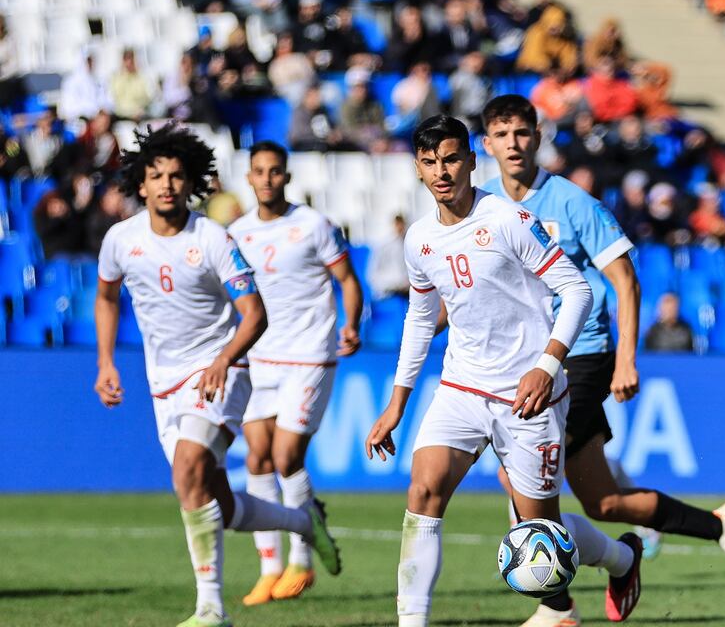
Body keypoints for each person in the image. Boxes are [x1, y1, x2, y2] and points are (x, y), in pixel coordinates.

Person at [479, 96, 725, 626]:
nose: (513, 143)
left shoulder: (572, 202)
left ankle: (555, 605)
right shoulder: (485, 205)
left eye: (522, 132)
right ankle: (721, 526)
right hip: (525, 359)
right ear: (486, 144)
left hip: (582, 354)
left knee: (518, 475)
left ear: (538, 137)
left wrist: (625, 359)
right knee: (603, 503)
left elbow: (624, 280)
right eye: (502, 134)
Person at [364, 116, 643, 627]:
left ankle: (622, 559)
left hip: (528, 394)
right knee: (423, 493)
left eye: (451, 159)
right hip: (461, 388)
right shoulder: (420, 239)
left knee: (539, 528)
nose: (441, 172)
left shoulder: (509, 219)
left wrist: (547, 364)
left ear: (471, 160)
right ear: (419, 170)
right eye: (430, 163)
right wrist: (396, 404)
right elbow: (420, 322)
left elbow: (577, 290)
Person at [94, 123, 340, 627]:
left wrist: (224, 360)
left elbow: (255, 314)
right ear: (140, 184)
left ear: (192, 184)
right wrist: (105, 362)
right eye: (156, 176)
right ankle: (302, 521)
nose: (166, 185)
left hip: (222, 371)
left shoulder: (212, 238)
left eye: (176, 176)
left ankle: (210, 607)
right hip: (163, 383)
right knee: (213, 502)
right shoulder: (121, 240)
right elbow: (105, 296)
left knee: (187, 468)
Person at [228, 142, 365, 606]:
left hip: (309, 353)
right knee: (257, 461)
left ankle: (301, 559)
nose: (267, 179)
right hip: (260, 358)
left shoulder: (313, 225)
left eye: (275, 172)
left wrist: (351, 321)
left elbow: (347, 279)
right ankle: (270, 567)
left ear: (286, 177)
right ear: (248, 178)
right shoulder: (237, 232)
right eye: (259, 171)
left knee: (287, 457)